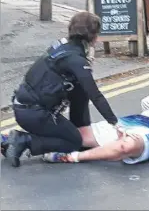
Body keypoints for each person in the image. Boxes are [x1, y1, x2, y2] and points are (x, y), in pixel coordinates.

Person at [5, 11, 120, 168]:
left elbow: (80, 96)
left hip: (24, 107)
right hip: (35, 113)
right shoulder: (76, 60)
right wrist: (115, 123)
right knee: (73, 142)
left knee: (75, 134)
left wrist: (81, 128)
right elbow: (95, 95)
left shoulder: (63, 46)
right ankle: (23, 140)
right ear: (93, 37)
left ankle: (7, 144)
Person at [2, 96, 149, 165]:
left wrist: (74, 157)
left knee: (125, 146)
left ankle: (72, 154)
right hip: (139, 122)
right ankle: (17, 139)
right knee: (74, 135)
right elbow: (148, 100)